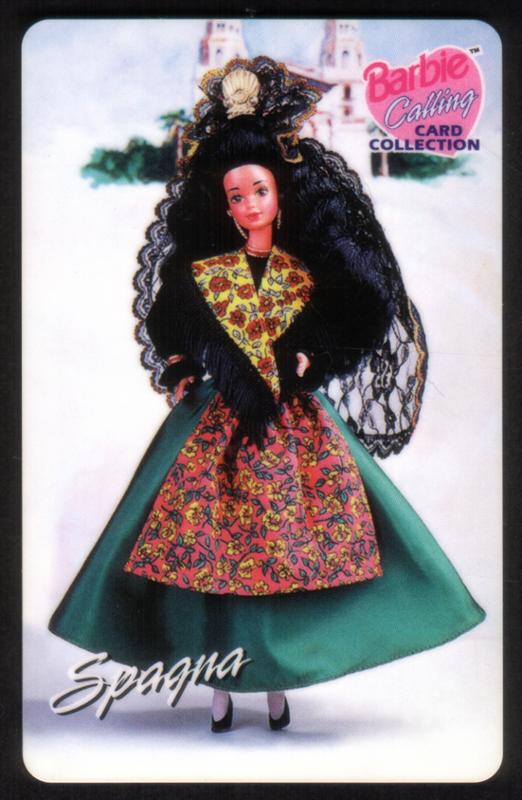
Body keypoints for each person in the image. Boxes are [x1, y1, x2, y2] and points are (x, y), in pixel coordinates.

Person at [50, 57, 485, 732]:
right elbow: (168, 322)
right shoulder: (205, 273)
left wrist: (313, 356)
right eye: (236, 195)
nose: (249, 203)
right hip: (216, 420)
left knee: (292, 542)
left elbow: (349, 319)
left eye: (259, 190)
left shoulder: (305, 273)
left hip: (291, 422)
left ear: (280, 194)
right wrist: (179, 367)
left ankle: (277, 683)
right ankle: (219, 685)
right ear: (223, 205)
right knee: (205, 541)